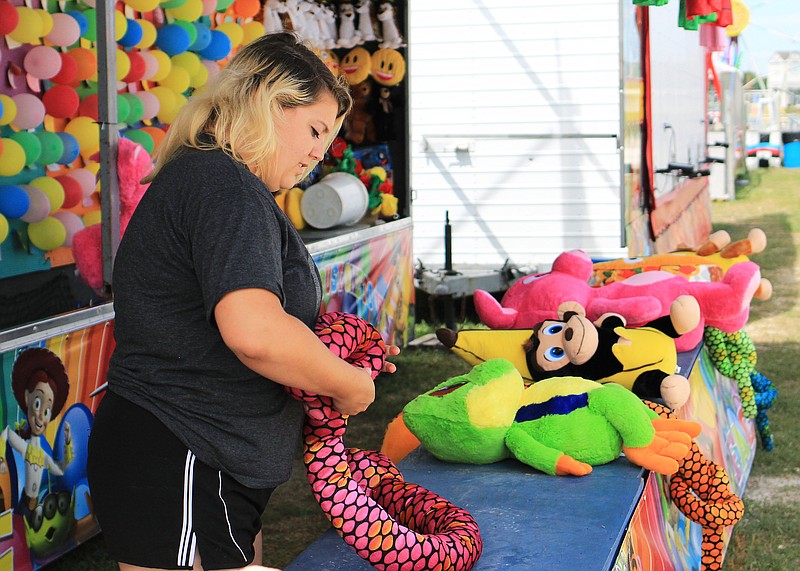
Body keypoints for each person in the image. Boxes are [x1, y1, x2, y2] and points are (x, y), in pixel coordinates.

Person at [87, 31, 399, 571]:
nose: (316, 155)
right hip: (185, 449)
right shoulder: (223, 185)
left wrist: (333, 352)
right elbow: (255, 331)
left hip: (208, 458)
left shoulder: (217, 181)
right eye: (314, 131)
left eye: (326, 145)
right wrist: (349, 382)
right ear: (268, 103)